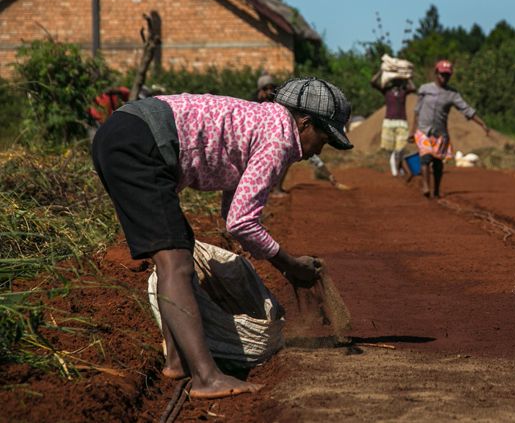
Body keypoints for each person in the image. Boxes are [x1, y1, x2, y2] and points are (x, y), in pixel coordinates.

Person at [92, 77, 353, 398]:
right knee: (175, 262)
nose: (318, 150)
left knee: (178, 252)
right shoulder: (278, 140)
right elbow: (242, 223)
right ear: (305, 123)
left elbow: (233, 214)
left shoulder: (262, 123)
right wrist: (289, 265)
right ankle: (206, 378)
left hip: (128, 134)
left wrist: (282, 261)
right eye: (323, 140)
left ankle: (177, 360)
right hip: (139, 143)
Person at [408, 60, 489, 198]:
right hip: (423, 130)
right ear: (436, 73)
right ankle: (426, 186)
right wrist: (412, 130)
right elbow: (417, 110)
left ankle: (437, 190)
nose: (444, 77)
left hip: (440, 133)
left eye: (447, 75)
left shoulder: (452, 94)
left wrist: (482, 124)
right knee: (425, 158)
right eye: (441, 74)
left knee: (438, 163)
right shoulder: (425, 89)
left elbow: (466, 109)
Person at [254, 74, 344, 195]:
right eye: (265, 89)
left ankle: (275, 188)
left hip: (284, 138)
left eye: (272, 88)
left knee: (290, 156)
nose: (269, 91)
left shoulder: (280, 103)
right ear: (259, 91)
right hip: (261, 141)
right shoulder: (255, 105)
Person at [370, 69, 416, 177]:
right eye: (395, 80)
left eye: (398, 80)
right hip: (389, 122)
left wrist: (407, 77)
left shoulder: (403, 91)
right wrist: (381, 72)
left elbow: (413, 88)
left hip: (402, 122)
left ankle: (398, 168)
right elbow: (372, 82)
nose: (397, 82)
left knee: (400, 148)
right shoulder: (386, 90)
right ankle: (395, 170)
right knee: (390, 149)